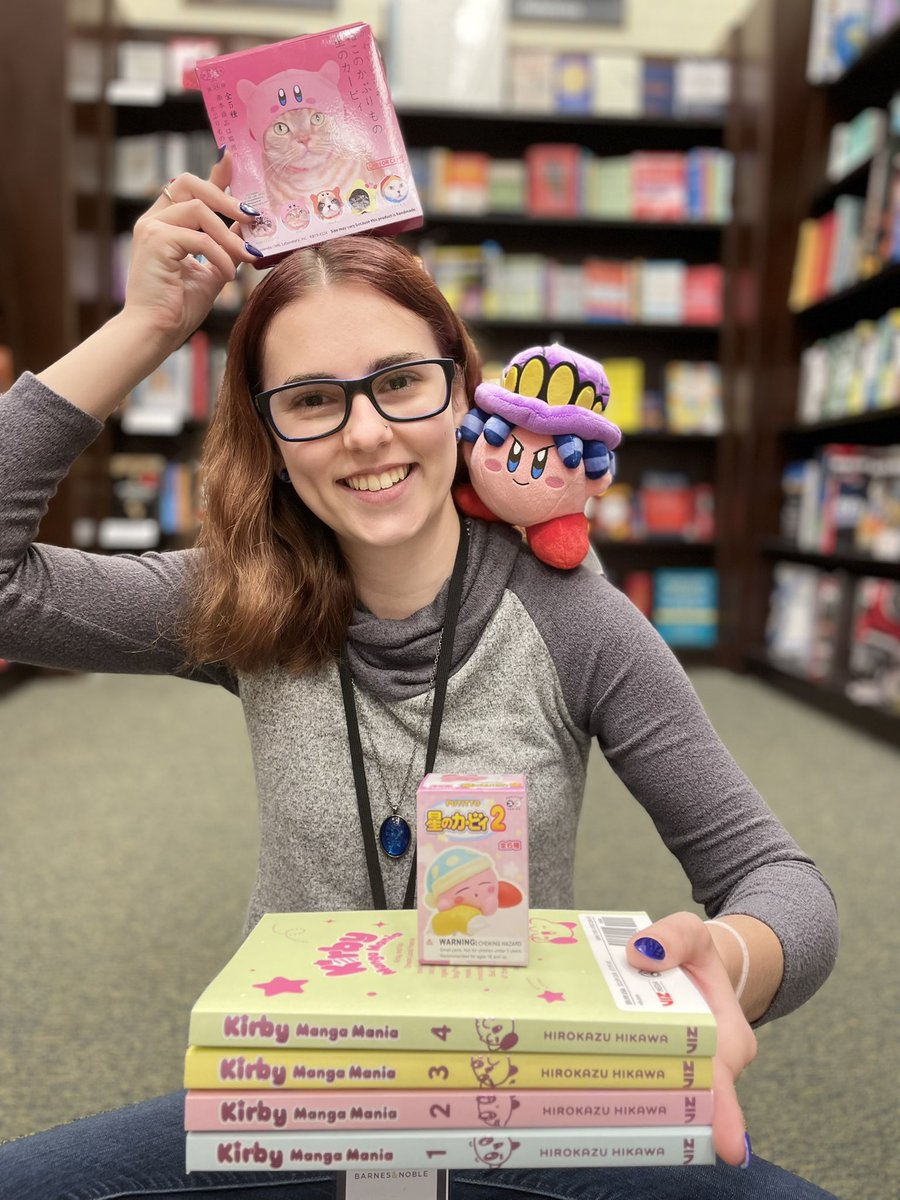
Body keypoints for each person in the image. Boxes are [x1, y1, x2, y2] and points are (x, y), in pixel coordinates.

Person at [0, 155, 839, 1200]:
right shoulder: (242, 598)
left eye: (399, 381)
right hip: (293, 1096)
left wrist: (730, 955)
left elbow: (785, 886)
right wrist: (148, 329)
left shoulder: (576, 621)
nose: (365, 433)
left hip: (523, 1100)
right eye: (310, 400)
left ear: (465, 393)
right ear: (269, 435)